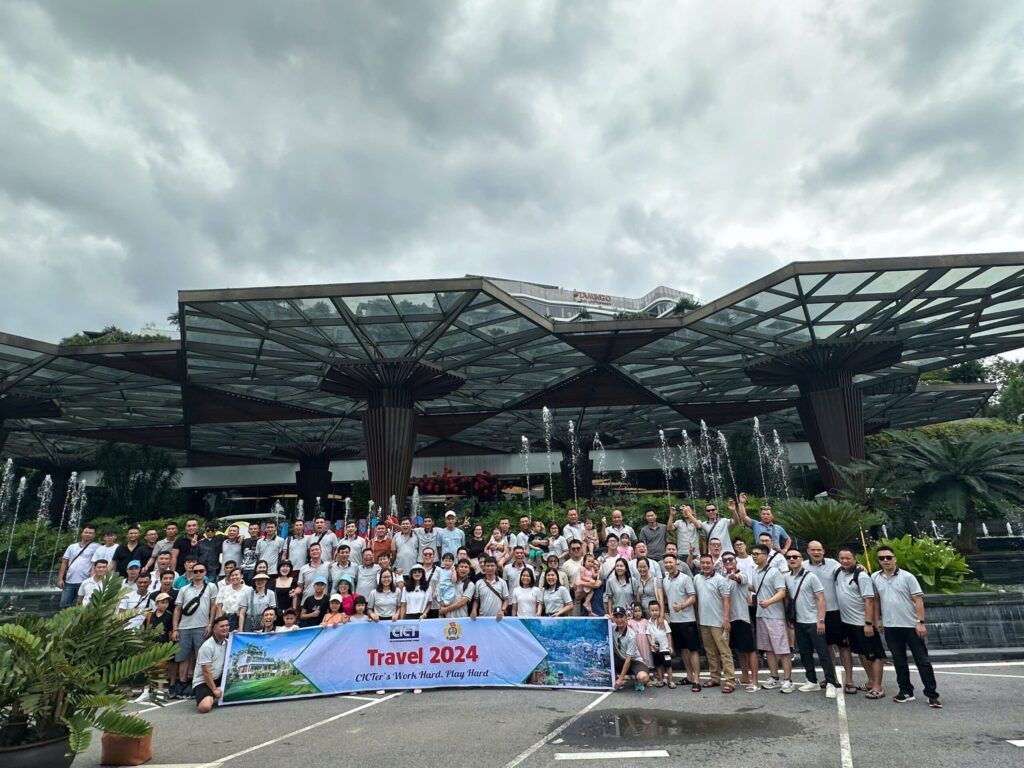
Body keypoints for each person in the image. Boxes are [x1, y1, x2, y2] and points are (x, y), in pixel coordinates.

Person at [872, 545, 941, 707]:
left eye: (889, 557)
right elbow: (875, 600)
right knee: (899, 661)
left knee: (922, 661)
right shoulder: (875, 577)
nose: (886, 560)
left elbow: (918, 600)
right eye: (882, 558)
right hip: (890, 626)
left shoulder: (908, 577)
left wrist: (921, 622)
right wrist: (877, 620)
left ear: (895, 558)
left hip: (911, 625)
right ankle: (906, 691)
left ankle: (932, 694)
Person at [785, 548, 839, 698]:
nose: (792, 559)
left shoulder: (811, 577)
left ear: (801, 559)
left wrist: (821, 620)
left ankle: (830, 682)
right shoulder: (787, 578)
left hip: (814, 621)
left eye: (795, 556)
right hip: (799, 622)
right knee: (805, 652)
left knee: (823, 653)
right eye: (789, 557)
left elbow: (821, 598)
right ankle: (811, 680)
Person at [836, 547, 886, 699]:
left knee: (874, 655)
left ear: (855, 559)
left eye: (848, 558)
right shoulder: (838, 572)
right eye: (842, 558)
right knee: (862, 653)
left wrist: (869, 623)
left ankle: (878, 687)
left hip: (863, 623)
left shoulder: (862, 576)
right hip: (848, 623)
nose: (845, 561)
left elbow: (869, 600)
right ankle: (871, 681)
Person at [806, 540, 853, 692]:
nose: (816, 552)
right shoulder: (804, 566)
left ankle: (849, 680)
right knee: (826, 648)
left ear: (823, 551)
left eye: (819, 549)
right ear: (808, 552)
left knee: (843, 647)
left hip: (835, 612)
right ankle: (831, 678)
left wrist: (860, 567)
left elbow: (848, 568)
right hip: (817, 614)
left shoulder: (833, 564)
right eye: (813, 550)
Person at [171, 561, 218, 699]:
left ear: (205, 572)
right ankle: (182, 684)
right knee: (183, 657)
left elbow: (213, 606)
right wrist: (175, 628)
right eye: (195, 571)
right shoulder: (184, 589)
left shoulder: (211, 587)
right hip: (184, 627)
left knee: (201, 657)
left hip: (202, 626)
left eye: (201, 571)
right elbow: (177, 609)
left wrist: (210, 624)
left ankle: (199, 685)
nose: (198, 573)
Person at [751, 545, 794, 692]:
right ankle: (774, 677)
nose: (754, 556)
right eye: (753, 554)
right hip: (761, 615)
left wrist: (769, 602)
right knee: (768, 649)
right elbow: (755, 587)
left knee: (783, 649)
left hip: (775, 616)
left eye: (757, 554)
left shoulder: (774, 572)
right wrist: (738, 579)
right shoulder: (755, 571)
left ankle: (787, 679)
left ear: (765, 555)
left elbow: (782, 592)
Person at [694, 554, 734, 692]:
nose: (705, 565)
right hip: (704, 621)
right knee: (710, 652)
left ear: (712, 564)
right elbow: (697, 599)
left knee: (724, 652)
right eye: (703, 563)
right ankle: (715, 677)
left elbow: (726, 601)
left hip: (718, 622)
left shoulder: (720, 580)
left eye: (708, 563)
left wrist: (726, 620)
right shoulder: (697, 578)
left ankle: (730, 681)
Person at [661, 553, 700, 690]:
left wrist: (682, 606)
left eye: (670, 562)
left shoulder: (686, 578)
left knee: (693, 650)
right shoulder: (665, 580)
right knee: (683, 650)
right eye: (666, 563)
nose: (668, 565)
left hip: (688, 620)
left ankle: (697, 679)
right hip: (674, 620)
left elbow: (693, 598)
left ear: (676, 563)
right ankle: (689, 676)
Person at [723, 552, 758, 691]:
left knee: (750, 650)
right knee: (739, 650)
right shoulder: (724, 578)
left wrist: (734, 576)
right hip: (731, 619)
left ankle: (754, 680)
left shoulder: (742, 574)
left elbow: (738, 578)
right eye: (725, 560)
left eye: (730, 559)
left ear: (736, 561)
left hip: (742, 618)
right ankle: (744, 676)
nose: (728, 562)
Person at [194, 616, 231, 714]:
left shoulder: (228, 642)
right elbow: (206, 671)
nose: (225, 628)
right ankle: (213, 694)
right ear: (214, 629)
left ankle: (216, 693)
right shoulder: (207, 646)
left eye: (227, 625)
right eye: (222, 626)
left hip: (219, 678)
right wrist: (214, 690)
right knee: (205, 707)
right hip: (203, 681)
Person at [57, 525, 98, 608]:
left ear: (94, 535)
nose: (88, 534)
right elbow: (64, 563)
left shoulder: (97, 547)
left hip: (85, 581)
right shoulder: (72, 547)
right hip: (69, 581)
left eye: (90, 533)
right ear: (81, 533)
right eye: (86, 532)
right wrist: (60, 579)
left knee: (83, 606)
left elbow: (97, 564)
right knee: (64, 606)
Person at [611, 606, 650, 691]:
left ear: (626, 617)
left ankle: (636, 679)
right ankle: (614, 678)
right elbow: (598, 624)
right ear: (613, 618)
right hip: (619, 660)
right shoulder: (612, 627)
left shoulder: (631, 635)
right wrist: (605, 618)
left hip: (633, 661)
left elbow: (628, 660)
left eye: (621, 617)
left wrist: (621, 679)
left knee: (644, 678)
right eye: (616, 617)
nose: (619, 620)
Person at [646, 601, 675, 688]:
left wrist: (670, 646)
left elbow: (668, 634)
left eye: (656, 610)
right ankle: (661, 680)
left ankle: (670, 681)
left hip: (665, 648)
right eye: (652, 610)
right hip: (655, 649)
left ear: (659, 610)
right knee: (658, 665)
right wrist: (651, 644)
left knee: (668, 665)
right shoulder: (648, 623)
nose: (654, 612)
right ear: (649, 611)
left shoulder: (664, 622)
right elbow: (648, 634)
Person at [667, 506, 700, 571]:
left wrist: (689, 514)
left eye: (687, 510)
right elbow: (669, 528)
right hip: (681, 553)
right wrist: (671, 516)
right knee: (681, 571)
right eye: (683, 510)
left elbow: (699, 526)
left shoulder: (697, 521)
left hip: (694, 553)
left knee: (694, 572)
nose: (685, 511)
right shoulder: (679, 522)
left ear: (692, 512)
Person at [628, 603, 654, 672]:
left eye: (639, 611)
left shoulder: (645, 621)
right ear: (632, 612)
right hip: (635, 643)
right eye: (635, 611)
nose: (637, 613)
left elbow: (649, 632)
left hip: (645, 643)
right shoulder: (630, 622)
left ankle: (647, 670)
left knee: (645, 654)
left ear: (642, 611)